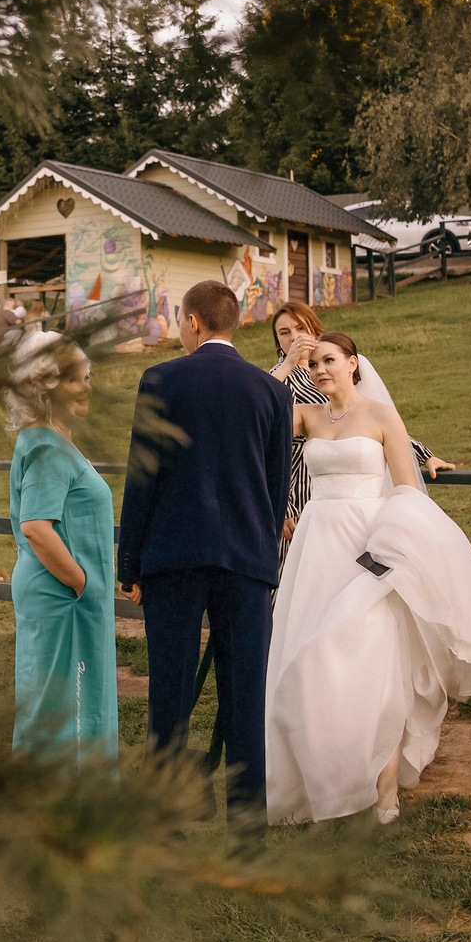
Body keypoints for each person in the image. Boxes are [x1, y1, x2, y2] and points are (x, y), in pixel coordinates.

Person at [266, 333, 471, 824]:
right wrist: (286, 364)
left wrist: (392, 550)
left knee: (372, 660)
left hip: (368, 545)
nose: (320, 369)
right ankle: (318, 775)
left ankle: (385, 788)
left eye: (329, 360)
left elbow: (406, 488)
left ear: (353, 363)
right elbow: (254, 416)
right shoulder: (306, 416)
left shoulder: (382, 417)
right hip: (316, 546)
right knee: (308, 657)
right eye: (314, 362)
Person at [118, 279, 289, 812]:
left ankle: (166, 815)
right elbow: (276, 486)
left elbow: (142, 477)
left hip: (172, 558)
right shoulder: (271, 390)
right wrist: (266, 562)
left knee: (168, 693)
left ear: (193, 322)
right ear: (232, 322)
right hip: (248, 561)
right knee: (245, 698)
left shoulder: (160, 379)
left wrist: (131, 564)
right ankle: (246, 824)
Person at [5, 335, 117, 758]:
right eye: (76, 380)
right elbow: (36, 526)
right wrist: (82, 582)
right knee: (62, 710)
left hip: (66, 595)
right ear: (46, 385)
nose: (87, 387)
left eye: (88, 377)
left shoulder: (52, 438)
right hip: (62, 596)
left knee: (65, 705)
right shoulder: (48, 447)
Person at [268, 301, 451, 534]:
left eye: (300, 328)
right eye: (285, 333)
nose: (294, 337)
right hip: (299, 494)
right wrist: (283, 503)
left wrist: (423, 454)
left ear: (314, 331)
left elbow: (365, 421)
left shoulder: (335, 372)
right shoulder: (278, 380)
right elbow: (260, 428)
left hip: (350, 494)